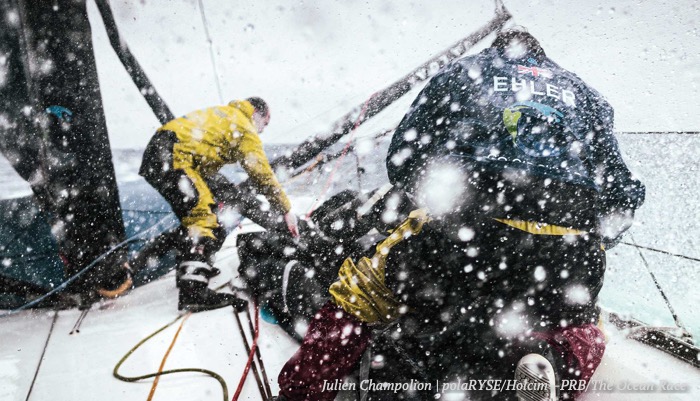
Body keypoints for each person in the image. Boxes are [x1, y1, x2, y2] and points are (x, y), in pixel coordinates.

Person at [274, 28, 644, 401]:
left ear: (497, 50)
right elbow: (622, 194)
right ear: (543, 58)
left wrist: (440, 205)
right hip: (570, 245)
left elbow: (403, 157)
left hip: (473, 231)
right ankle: (553, 359)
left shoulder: (465, 71)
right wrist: (586, 237)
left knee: (359, 295)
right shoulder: (586, 94)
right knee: (585, 325)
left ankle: (303, 390)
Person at [139, 97, 299, 312]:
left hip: (160, 152)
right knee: (204, 217)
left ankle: (191, 268)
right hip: (173, 155)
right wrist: (285, 210)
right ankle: (193, 291)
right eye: (265, 124)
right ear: (256, 114)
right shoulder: (244, 127)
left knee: (198, 214)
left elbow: (199, 151)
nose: (262, 130)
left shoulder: (225, 114)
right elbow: (262, 173)